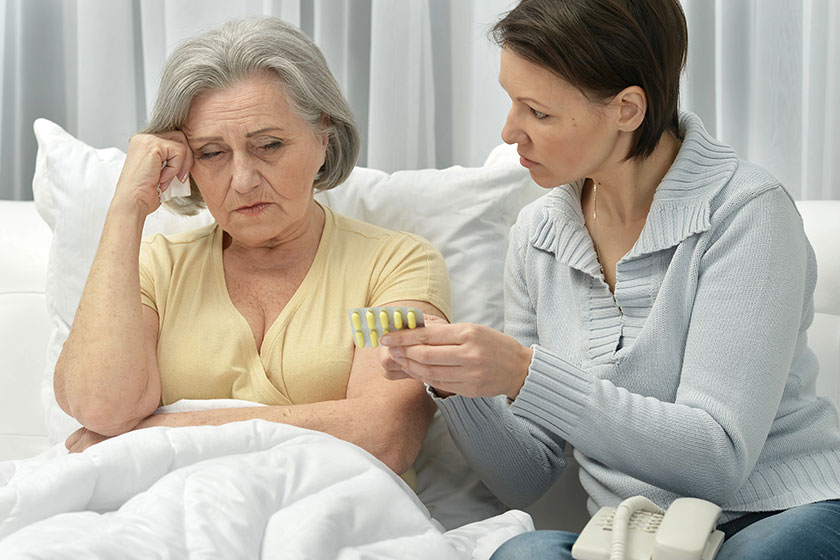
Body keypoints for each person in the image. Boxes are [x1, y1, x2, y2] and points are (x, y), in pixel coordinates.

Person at [379, 0, 840, 557]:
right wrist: (455, 383)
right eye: (510, 102)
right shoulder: (538, 235)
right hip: (625, 539)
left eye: (537, 112)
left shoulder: (745, 214)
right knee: (519, 553)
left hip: (770, 517)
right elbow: (525, 477)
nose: (508, 133)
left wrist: (525, 373)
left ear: (626, 109)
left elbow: (716, 459)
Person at [53, 16, 450, 485]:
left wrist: (158, 430)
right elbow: (100, 407)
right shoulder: (156, 267)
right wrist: (126, 209)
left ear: (323, 136)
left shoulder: (396, 264)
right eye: (212, 153)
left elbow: (385, 436)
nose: (242, 180)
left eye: (268, 145)